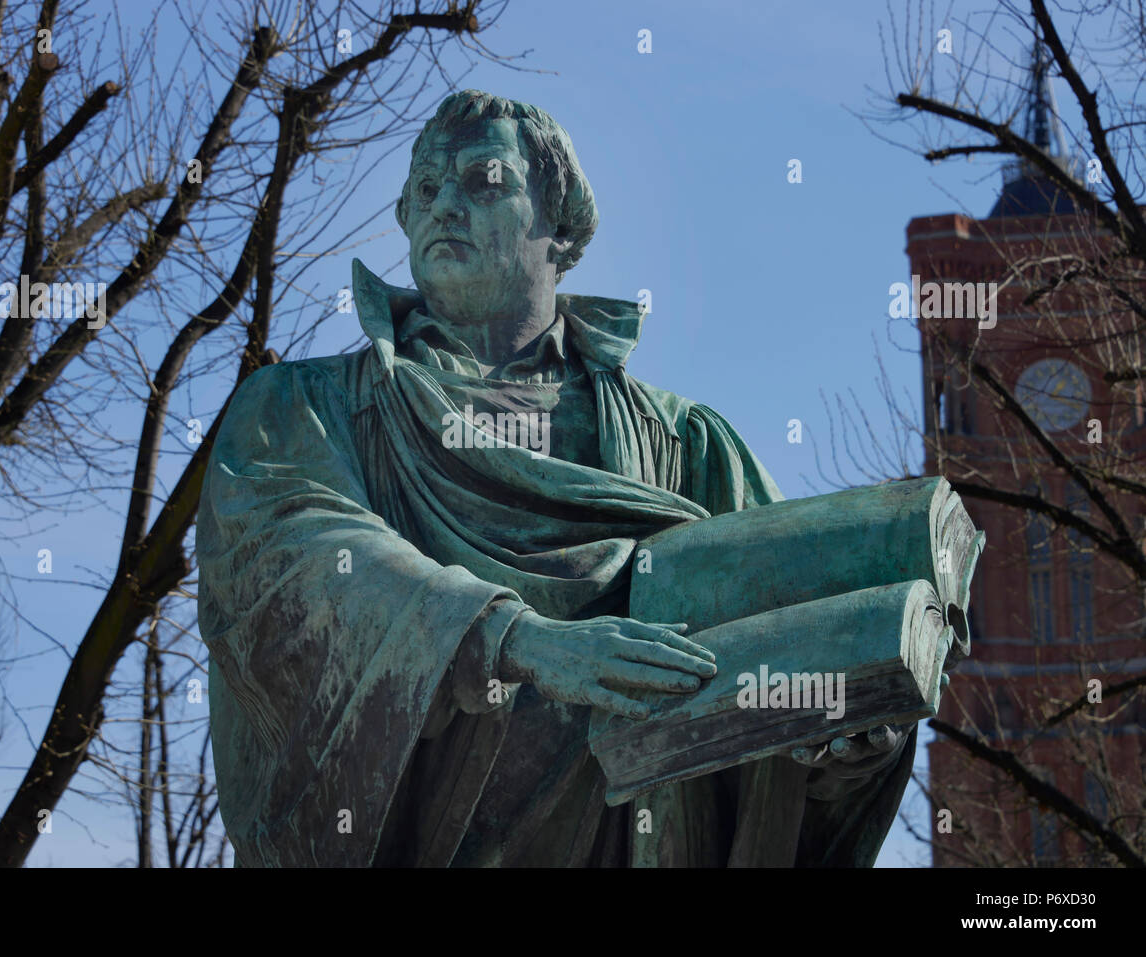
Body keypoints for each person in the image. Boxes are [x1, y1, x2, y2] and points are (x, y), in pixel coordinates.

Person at [197, 90, 913, 867]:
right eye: (427, 189)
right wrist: (516, 640)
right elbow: (296, 557)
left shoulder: (682, 444)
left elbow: (796, 644)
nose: (447, 205)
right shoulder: (305, 408)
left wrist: (845, 732)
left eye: (485, 180)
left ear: (562, 225)